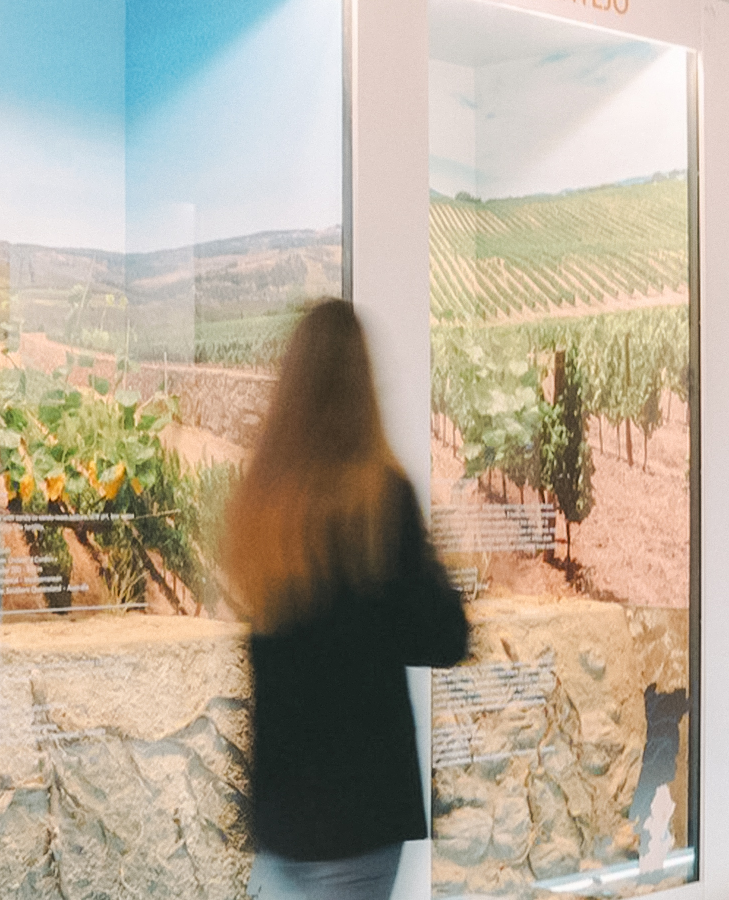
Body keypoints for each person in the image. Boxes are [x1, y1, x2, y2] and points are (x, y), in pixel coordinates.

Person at [222, 299, 470, 900]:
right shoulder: (380, 500)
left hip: (283, 818)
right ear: (363, 385)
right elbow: (445, 636)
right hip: (360, 814)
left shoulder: (263, 503)